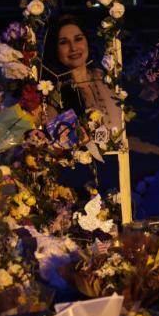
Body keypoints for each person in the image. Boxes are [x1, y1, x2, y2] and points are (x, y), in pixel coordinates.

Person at [42, 14, 123, 193]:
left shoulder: (106, 79)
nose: (73, 48)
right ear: (55, 49)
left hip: (119, 173)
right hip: (77, 183)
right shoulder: (53, 93)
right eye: (64, 42)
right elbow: (57, 148)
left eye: (78, 39)